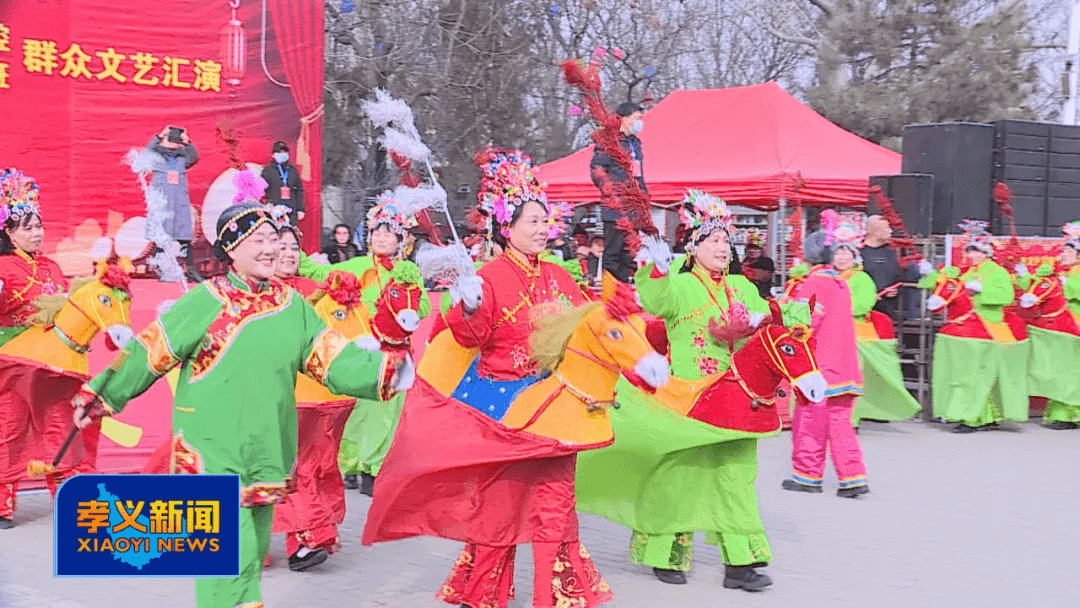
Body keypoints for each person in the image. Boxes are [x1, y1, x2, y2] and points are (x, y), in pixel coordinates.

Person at [71, 202, 412, 608]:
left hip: (267, 446)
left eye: (275, 239)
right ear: (231, 249)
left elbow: (333, 357)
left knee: (251, 555)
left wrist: (386, 369)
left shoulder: (292, 306)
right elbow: (150, 352)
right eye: (259, 241)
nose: (271, 249)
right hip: (211, 448)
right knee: (227, 559)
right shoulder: (205, 300)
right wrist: (102, 394)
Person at [362, 147, 612, 608]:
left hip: (555, 413)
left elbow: (590, 329)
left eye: (544, 220)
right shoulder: (488, 277)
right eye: (531, 220)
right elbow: (468, 335)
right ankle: (484, 596)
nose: (541, 229)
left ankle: (557, 598)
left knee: (556, 509)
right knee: (498, 515)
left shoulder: (560, 275)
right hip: (504, 418)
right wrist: (471, 304)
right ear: (507, 225)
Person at [581, 190, 775, 590]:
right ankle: (665, 555)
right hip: (689, 399)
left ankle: (740, 563)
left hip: (737, 399)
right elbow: (655, 296)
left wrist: (773, 316)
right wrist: (657, 267)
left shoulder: (743, 286)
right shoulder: (681, 286)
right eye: (713, 240)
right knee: (681, 476)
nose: (723, 247)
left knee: (737, 475)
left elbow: (766, 327)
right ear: (693, 247)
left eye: (726, 240)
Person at [0, 169, 71, 528]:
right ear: (8, 233)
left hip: (51, 364)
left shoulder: (53, 267)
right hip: (12, 364)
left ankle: (69, 498)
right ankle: (2, 504)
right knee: (10, 429)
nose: (36, 232)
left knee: (58, 427)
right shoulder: (2, 267)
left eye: (38, 226)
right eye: (26, 227)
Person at [781, 211, 869, 498]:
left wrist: (783, 308)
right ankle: (853, 477)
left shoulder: (813, 283)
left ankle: (807, 476)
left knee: (810, 423)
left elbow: (801, 324)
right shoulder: (841, 283)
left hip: (819, 369)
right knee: (841, 426)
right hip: (845, 368)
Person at [917, 220, 1028, 433]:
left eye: (978, 252)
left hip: (988, 327)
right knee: (970, 374)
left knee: (977, 375)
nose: (974, 255)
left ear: (987, 253)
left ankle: (973, 417)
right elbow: (947, 287)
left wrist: (984, 290)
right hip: (965, 327)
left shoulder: (998, 272)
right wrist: (929, 274)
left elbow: (1007, 296)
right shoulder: (965, 272)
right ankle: (981, 416)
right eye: (970, 251)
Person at [821, 220, 920, 428]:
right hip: (830, 334)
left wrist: (831, 308)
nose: (842, 257)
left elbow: (863, 305)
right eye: (838, 253)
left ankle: (850, 419)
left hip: (855, 334)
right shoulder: (827, 277)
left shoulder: (862, 278)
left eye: (846, 253)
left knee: (851, 377)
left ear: (854, 256)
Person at [589, 101, 646, 282]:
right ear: (624, 119)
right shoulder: (609, 141)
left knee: (629, 253)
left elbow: (639, 174)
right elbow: (597, 171)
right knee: (613, 251)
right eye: (636, 118)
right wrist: (611, 192)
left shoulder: (635, 143)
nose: (640, 122)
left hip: (633, 208)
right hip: (615, 208)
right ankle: (610, 294)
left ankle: (624, 291)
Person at [146, 126, 201, 281]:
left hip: (179, 203)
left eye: (175, 141)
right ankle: (160, 270)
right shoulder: (156, 156)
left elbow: (195, 157)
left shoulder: (182, 157)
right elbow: (146, 154)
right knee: (161, 237)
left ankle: (191, 271)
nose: (172, 144)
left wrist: (187, 141)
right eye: (170, 139)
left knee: (184, 237)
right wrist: (159, 135)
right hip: (163, 204)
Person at [860, 215, 903, 317]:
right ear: (876, 231)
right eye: (887, 228)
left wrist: (895, 291)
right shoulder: (858, 253)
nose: (891, 231)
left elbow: (898, 279)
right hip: (863, 310)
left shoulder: (891, 253)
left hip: (886, 311)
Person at [261, 141, 305, 226]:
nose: (282, 154)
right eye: (279, 152)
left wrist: (300, 209)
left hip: (291, 210)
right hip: (274, 210)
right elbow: (262, 192)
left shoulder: (292, 170)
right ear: (273, 155)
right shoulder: (267, 171)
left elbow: (299, 190)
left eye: (284, 152)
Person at [741, 230, 775, 298]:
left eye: (755, 249)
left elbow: (762, 276)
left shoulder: (767, 262)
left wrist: (744, 271)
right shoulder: (745, 261)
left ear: (761, 250)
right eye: (750, 248)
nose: (752, 251)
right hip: (745, 296)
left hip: (762, 296)